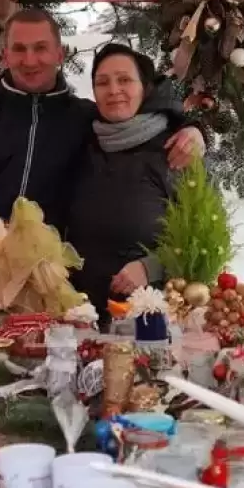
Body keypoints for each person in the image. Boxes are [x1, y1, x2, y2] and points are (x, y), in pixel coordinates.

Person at [0, 9, 204, 290]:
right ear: (5, 56)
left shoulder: (85, 118)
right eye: (19, 49)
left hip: (56, 284)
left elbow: (140, 114)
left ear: (60, 54)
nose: (29, 60)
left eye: (40, 48)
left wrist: (193, 128)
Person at [65, 44, 185, 323]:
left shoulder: (176, 150)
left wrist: (151, 267)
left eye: (125, 80)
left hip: (152, 321)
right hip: (84, 319)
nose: (113, 90)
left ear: (145, 88)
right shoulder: (83, 145)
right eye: (102, 82)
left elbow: (205, 241)